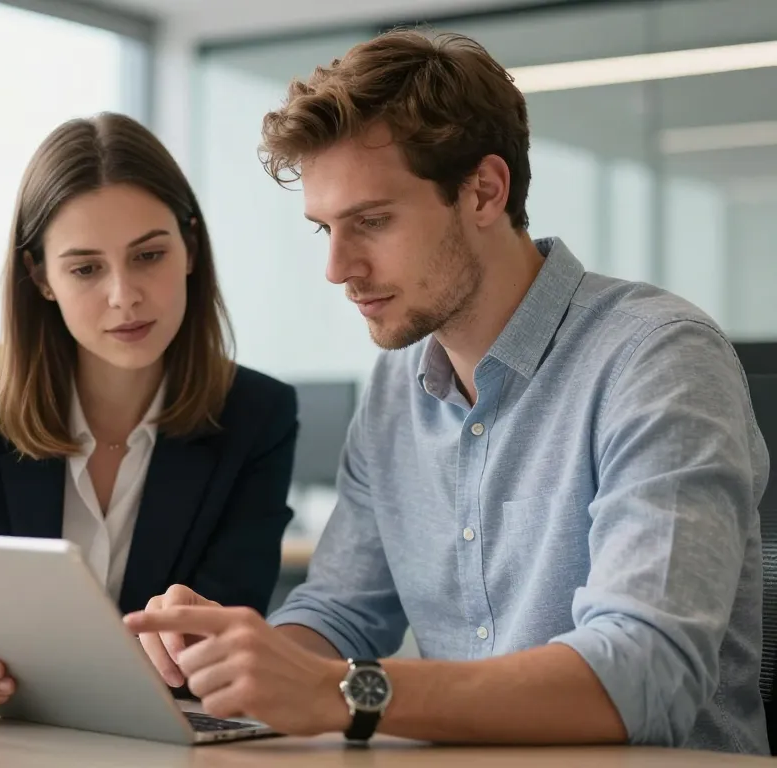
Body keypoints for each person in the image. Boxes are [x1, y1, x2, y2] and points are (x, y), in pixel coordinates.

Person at [123, 30, 771, 755]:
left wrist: (346, 693)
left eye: (371, 221)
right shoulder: (398, 386)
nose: (338, 269)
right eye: (324, 230)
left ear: (485, 192)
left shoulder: (657, 358)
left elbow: (643, 675)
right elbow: (342, 612)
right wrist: (231, 660)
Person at [0, 113, 298, 719]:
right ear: (40, 276)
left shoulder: (256, 416)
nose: (124, 295)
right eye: (85, 268)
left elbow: (228, 630)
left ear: (189, 248)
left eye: (149, 255)